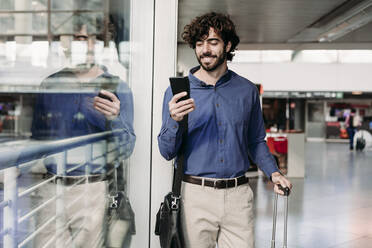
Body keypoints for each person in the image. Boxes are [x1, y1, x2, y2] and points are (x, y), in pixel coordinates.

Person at [158, 12, 292, 248]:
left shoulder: (247, 90)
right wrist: (174, 120)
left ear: (228, 45)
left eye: (212, 42)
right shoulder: (178, 91)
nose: (205, 50)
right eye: (199, 43)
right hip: (194, 196)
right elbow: (167, 151)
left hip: (238, 196)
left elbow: (256, 141)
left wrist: (274, 173)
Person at [31, 21, 135, 247]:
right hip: (50, 190)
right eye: (79, 38)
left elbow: (127, 148)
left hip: (93, 191)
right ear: (66, 43)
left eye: (93, 39)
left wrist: (113, 119)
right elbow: (36, 141)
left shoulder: (117, 87)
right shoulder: (50, 85)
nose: (87, 45)